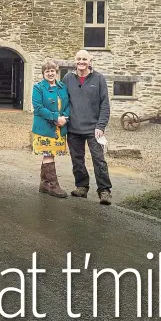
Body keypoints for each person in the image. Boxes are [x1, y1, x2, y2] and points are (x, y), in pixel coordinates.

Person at [62, 50, 112, 205]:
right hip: (73, 128)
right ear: (75, 60)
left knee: (99, 160)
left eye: (84, 59)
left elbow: (105, 104)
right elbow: (63, 100)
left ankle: (104, 191)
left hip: (93, 129)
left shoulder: (98, 79)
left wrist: (101, 125)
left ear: (90, 61)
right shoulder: (68, 78)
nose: (81, 62)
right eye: (78, 59)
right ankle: (82, 186)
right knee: (77, 160)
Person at [32, 60, 70, 198]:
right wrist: (55, 117)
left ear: (56, 72)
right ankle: (53, 186)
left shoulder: (62, 87)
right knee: (48, 153)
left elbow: (68, 104)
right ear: (43, 73)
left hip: (60, 126)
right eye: (47, 71)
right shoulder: (38, 88)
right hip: (45, 127)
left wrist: (65, 118)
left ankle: (44, 184)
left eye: (52, 70)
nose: (50, 73)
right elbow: (38, 108)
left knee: (51, 154)